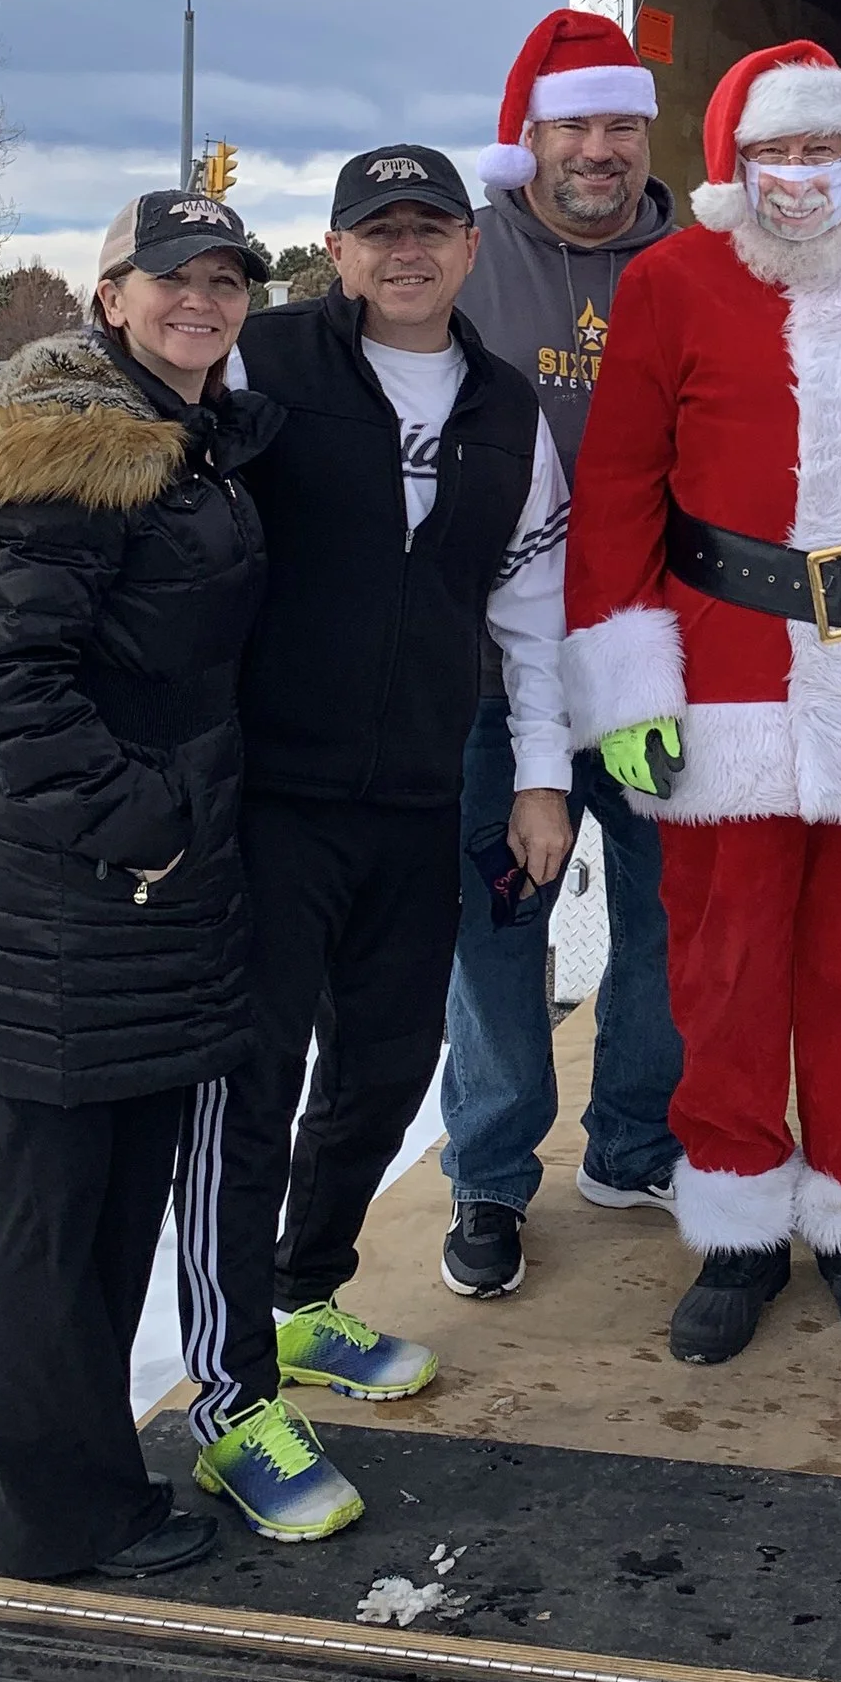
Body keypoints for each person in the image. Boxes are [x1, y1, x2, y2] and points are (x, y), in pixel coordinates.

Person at [563, 43, 841, 1365]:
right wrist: (626, 667)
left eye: (823, 151)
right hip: (721, 682)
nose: (799, 177)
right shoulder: (669, 281)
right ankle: (740, 1226)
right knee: (724, 965)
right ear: (732, 164)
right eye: (775, 155)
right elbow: (623, 479)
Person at [182, 146, 574, 1541]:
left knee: (390, 1063)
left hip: (421, 790)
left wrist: (542, 784)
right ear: (336, 253)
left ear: (472, 247)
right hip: (269, 797)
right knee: (246, 1085)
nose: (404, 253)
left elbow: (530, 614)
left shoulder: (504, 407)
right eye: (376, 232)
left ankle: (298, 1300)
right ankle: (229, 1398)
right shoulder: (266, 364)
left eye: (429, 230)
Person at [0, 190, 278, 1582]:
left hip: (143, 885)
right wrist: (143, 828)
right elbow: (11, 685)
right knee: (60, 1217)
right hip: (80, 890)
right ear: (111, 294)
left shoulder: (188, 443)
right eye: (172, 277)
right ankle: (65, 1521)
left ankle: (16, 1470)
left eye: (228, 278)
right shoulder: (90, 453)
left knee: (104, 1201)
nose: (203, 299)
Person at [437, 8, 686, 1298]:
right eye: (575, 123)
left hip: (654, 665)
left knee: (669, 921)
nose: (601, 148)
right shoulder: (466, 263)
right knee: (496, 928)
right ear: (525, 139)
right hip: (490, 681)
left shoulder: (702, 259)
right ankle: (488, 1176)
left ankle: (636, 1142)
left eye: (622, 123)